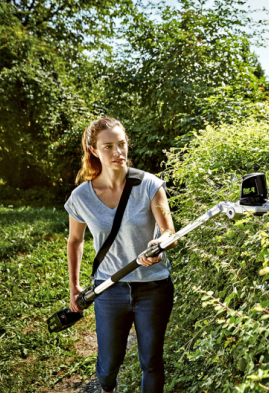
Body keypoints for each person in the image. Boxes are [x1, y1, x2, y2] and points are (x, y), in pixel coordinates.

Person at [64, 117, 175, 393]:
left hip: (153, 287)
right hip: (109, 288)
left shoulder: (150, 185)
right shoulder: (81, 197)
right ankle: (106, 389)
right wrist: (74, 286)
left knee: (151, 361)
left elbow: (169, 231)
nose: (118, 152)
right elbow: (75, 241)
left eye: (122, 144)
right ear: (93, 150)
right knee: (109, 363)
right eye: (109, 146)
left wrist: (160, 245)